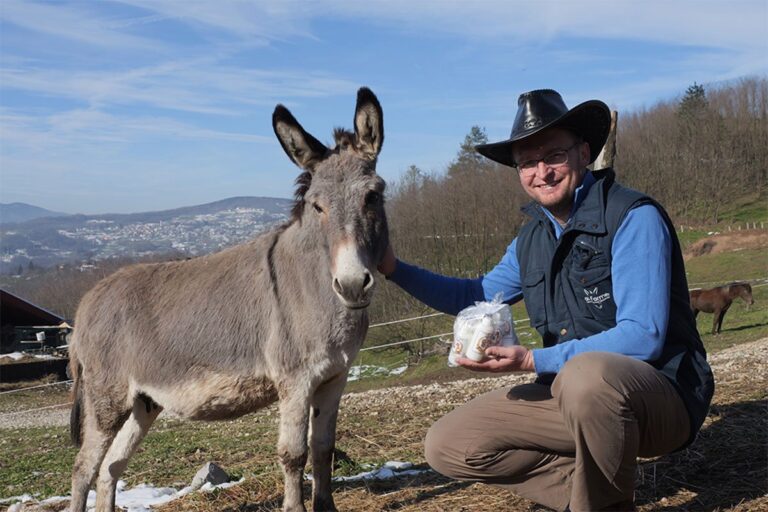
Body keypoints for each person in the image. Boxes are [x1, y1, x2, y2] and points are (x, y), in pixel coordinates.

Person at [377, 89, 714, 511]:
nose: (542, 172)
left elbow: (642, 336)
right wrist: (393, 267)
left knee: (584, 376)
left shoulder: (632, 218)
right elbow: (475, 295)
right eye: (528, 163)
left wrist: (533, 361)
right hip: (575, 397)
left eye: (554, 155)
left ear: (583, 152)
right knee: (449, 443)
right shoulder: (531, 239)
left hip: (662, 396)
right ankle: (586, 493)